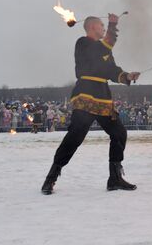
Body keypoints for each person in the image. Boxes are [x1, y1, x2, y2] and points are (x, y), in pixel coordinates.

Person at [41, 14, 141, 195]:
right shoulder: (83, 43)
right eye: (102, 26)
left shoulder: (105, 49)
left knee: (119, 133)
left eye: (105, 27)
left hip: (102, 99)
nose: (104, 29)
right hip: (86, 96)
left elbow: (111, 70)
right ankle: (51, 177)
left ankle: (115, 178)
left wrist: (126, 76)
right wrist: (113, 24)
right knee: (75, 136)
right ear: (93, 27)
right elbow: (102, 47)